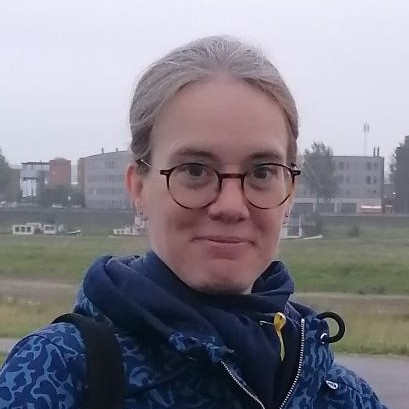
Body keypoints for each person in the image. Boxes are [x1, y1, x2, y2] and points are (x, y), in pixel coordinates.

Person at [0, 35, 387, 409]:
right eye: (195, 170)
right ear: (138, 188)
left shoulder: (342, 396)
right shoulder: (57, 375)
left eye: (262, 172)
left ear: (290, 192)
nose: (231, 206)